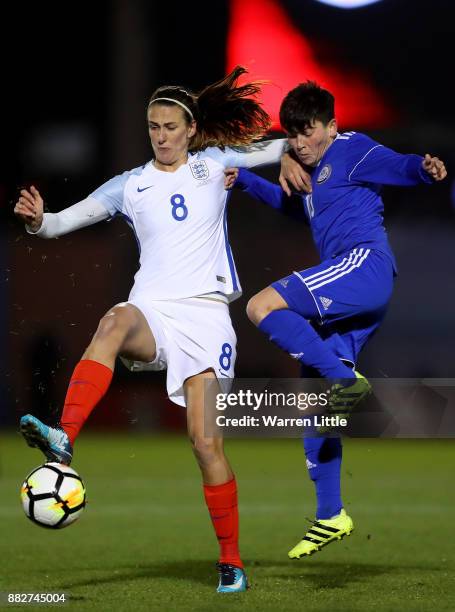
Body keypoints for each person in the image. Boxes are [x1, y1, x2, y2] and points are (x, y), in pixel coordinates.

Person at [14, 66, 290, 593]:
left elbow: (278, 148)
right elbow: (58, 224)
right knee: (114, 319)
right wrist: (37, 221)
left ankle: (230, 560)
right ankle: (64, 439)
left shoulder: (215, 164)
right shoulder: (130, 185)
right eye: (153, 127)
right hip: (154, 313)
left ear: (190, 129)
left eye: (169, 126)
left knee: (205, 445)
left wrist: (319, 140)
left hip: (207, 320)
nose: (160, 136)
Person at [225, 81, 447, 560]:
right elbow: (291, 208)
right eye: (294, 135)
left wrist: (424, 171)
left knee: (261, 306)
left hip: (362, 266)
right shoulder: (310, 172)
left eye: (308, 133)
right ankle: (331, 515)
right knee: (318, 404)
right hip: (356, 286)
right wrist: (243, 181)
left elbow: (401, 167)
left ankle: (345, 377)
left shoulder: (352, 149)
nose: (300, 142)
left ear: (331, 126)